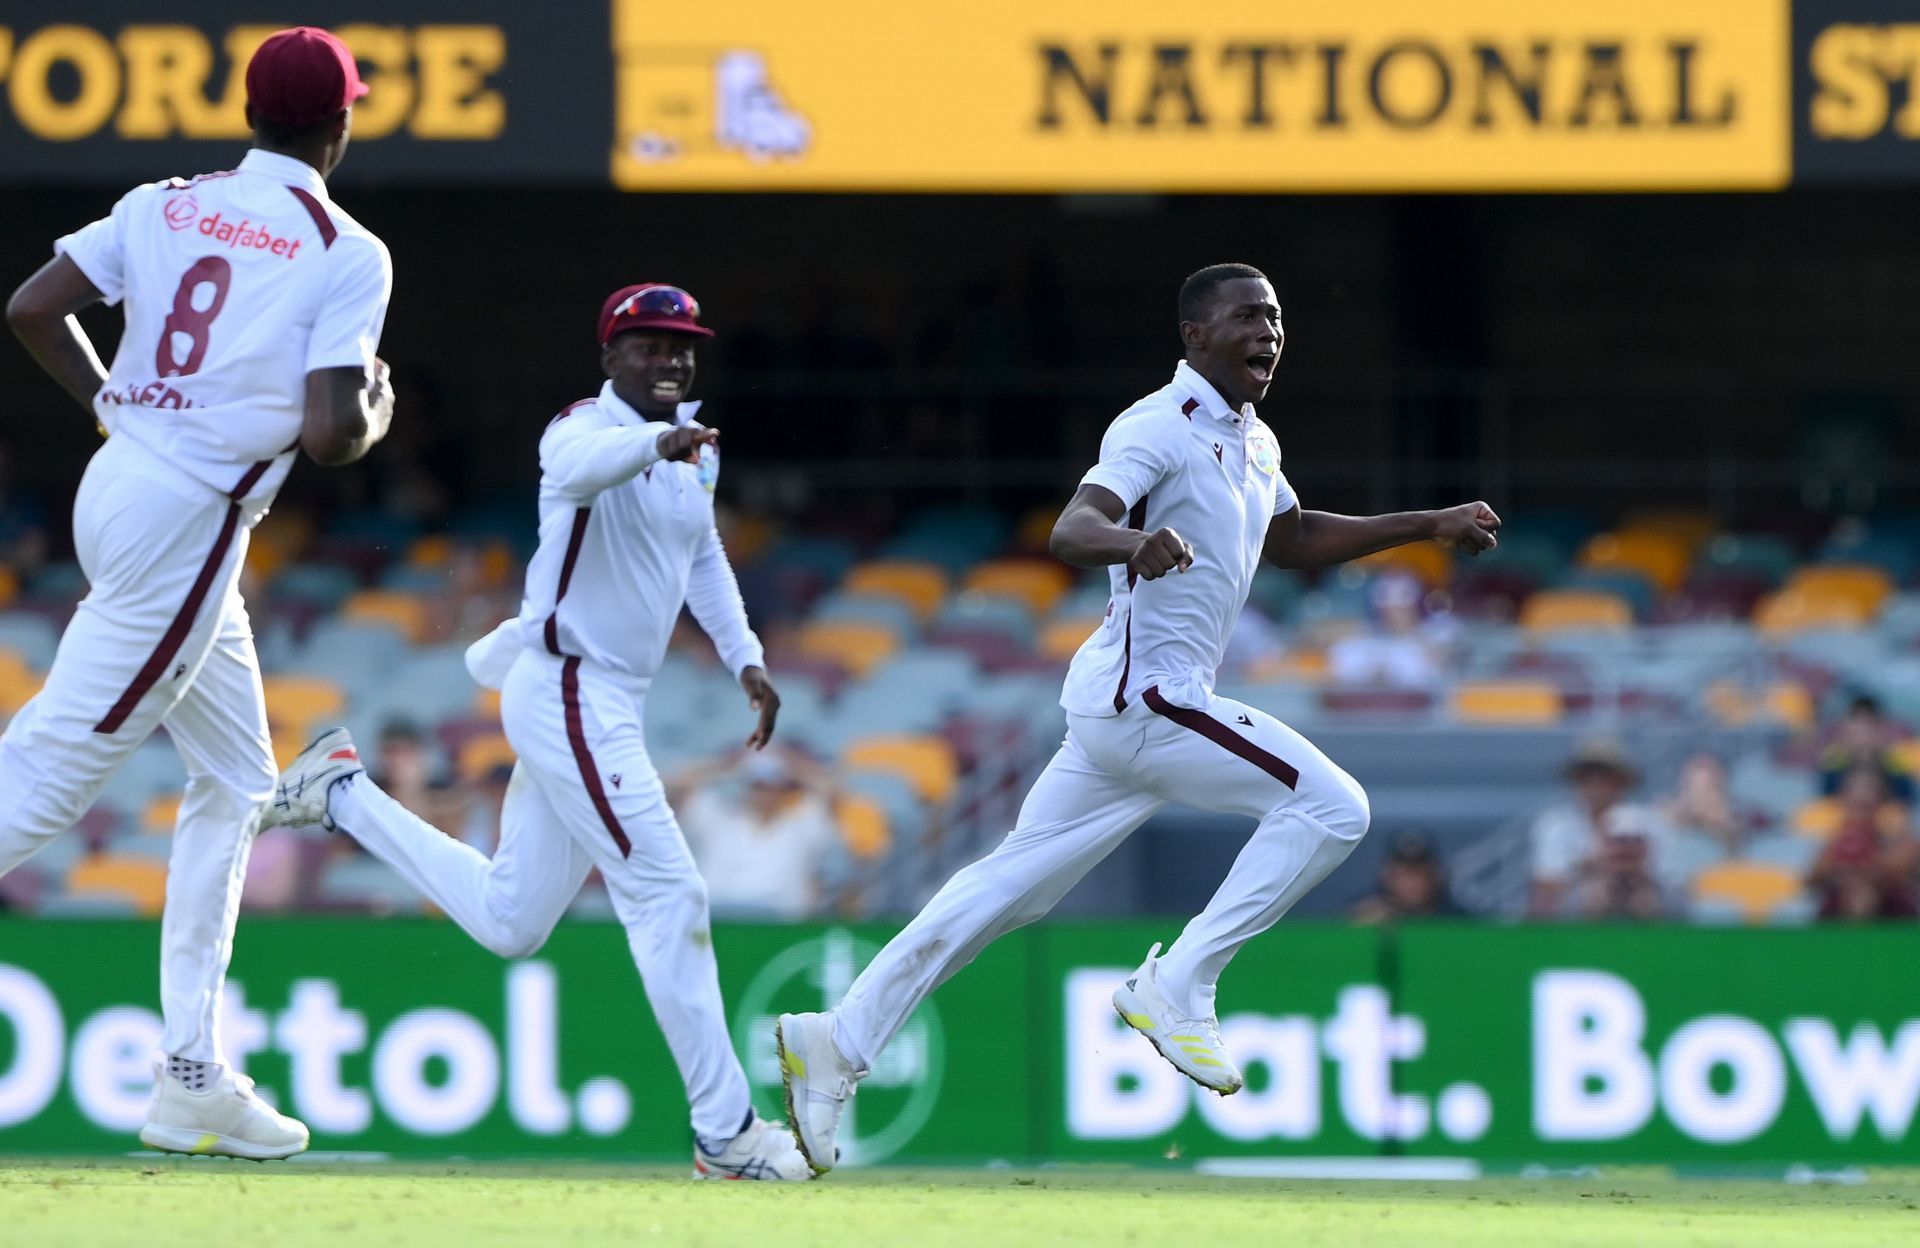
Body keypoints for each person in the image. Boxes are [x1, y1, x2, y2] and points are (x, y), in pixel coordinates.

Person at [774, 262, 1502, 1175]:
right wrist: (1133, 541)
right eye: (1247, 317)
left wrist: (1428, 523)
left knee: (1007, 890)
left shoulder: (1255, 440)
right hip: (1154, 698)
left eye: (1276, 319)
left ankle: (837, 1040)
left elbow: (1295, 539)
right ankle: (1178, 984)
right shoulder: (1156, 424)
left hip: (1117, 714)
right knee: (1333, 808)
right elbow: (1072, 531)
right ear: (1195, 335)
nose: (1268, 333)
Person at [265, 283, 810, 1181]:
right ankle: (727, 1134)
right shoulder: (581, 428)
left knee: (512, 921)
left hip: (601, 700)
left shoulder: (693, 449)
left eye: (681, 344)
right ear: (609, 361)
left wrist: (744, 656)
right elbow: (580, 471)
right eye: (647, 345)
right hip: (570, 688)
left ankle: (343, 795)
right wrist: (660, 441)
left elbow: (702, 553)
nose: (670, 357)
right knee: (671, 897)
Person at [0, 27, 393, 1160]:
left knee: (238, 777)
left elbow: (32, 307)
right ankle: (187, 1073)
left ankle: (189, 1075)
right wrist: (376, 409)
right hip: (188, 522)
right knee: (41, 784)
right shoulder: (344, 245)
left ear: (250, 113)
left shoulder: (166, 200)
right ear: (341, 123)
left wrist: (107, 400)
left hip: (123, 479)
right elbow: (328, 436)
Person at [670, 747, 842, 920]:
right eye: (758, 787)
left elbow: (832, 790)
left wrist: (791, 763)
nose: (764, 794)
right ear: (746, 788)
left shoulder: (801, 827)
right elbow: (682, 779)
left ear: (783, 791)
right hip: (720, 916)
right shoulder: (718, 820)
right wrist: (729, 764)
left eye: (772, 787)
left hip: (781, 920)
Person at [1527, 738, 1672, 919]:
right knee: (1595, 895)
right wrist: (1589, 866)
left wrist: (1633, 869)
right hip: (1575, 908)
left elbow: (1668, 878)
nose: (1595, 782)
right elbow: (1546, 885)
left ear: (1621, 781)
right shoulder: (1556, 825)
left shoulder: (1649, 822)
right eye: (1586, 775)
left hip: (1641, 896)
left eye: (1605, 775)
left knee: (1645, 900)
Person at [1809, 765, 1918, 921]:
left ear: (1882, 798)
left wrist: (1869, 861)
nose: (1862, 793)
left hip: (1892, 915)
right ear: (1843, 798)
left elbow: (1903, 876)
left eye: (1869, 788)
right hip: (1837, 914)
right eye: (1854, 788)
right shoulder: (1833, 839)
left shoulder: (1899, 839)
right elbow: (1811, 881)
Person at [1350, 831, 1459, 923]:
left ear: (1436, 875)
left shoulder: (1457, 922)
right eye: (1405, 874)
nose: (1413, 883)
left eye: (1419, 873)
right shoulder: (1363, 918)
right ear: (1387, 876)